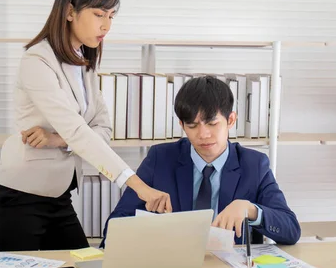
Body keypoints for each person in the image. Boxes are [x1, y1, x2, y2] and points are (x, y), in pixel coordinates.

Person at [0, 0, 171, 252]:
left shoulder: (83, 62)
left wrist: (56, 140)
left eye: (111, 16)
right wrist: (138, 186)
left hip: (59, 197)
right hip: (18, 199)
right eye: (99, 14)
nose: (107, 25)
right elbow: (79, 130)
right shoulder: (37, 61)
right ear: (70, 10)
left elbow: (103, 130)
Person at [103, 76, 301, 246]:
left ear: (231, 120)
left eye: (212, 124)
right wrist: (145, 224)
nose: (203, 134)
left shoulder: (254, 164)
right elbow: (114, 228)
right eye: (192, 125)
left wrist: (251, 210)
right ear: (182, 125)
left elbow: (291, 230)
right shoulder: (160, 159)